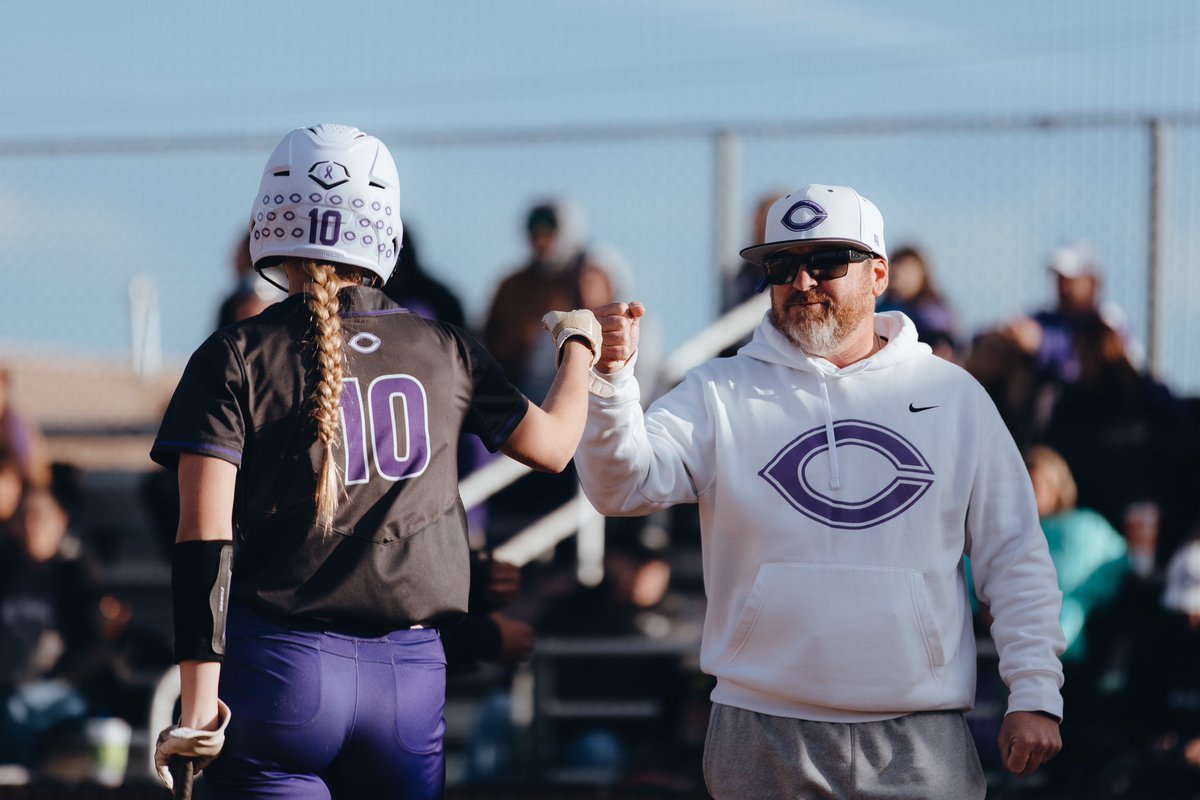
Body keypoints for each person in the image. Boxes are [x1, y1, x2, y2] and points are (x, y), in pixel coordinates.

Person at [148, 123, 601, 799]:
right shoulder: (444, 347)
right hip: (411, 682)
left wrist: (197, 707)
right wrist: (580, 345)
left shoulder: (235, 355)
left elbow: (202, 542)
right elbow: (556, 446)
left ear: (273, 221)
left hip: (279, 670)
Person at [575, 184, 1065, 798]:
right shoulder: (718, 390)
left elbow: (1015, 554)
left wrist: (1036, 691)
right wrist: (613, 384)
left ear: (879, 274)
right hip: (760, 729)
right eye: (781, 266)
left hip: (918, 731)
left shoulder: (954, 395)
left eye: (828, 262)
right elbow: (620, 488)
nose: (802, 280)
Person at [875, 244, 959, 360]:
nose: (899, 274)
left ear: (922, 275)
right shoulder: (880, 310)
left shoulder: (932, 313)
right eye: (896, 268)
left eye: (907, 270)